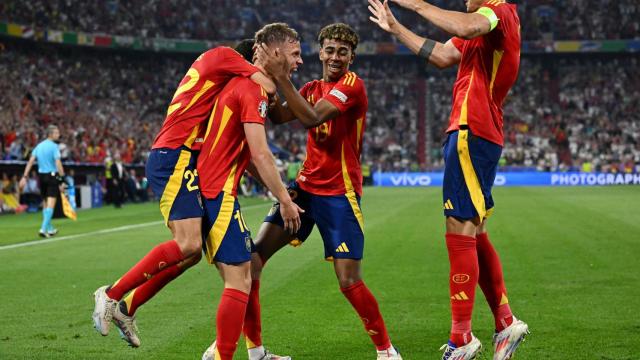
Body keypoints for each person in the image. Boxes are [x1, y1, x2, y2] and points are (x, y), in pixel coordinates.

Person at [368, 1, 529, 359]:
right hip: (479, 132)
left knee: (458, 227)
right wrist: (397, 28)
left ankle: (461, 338)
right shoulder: (486, 28)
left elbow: (468, 27)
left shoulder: (496, 12)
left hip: (473, 130)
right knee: (475, 230)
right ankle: (505, 322)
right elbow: (441, 54)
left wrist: (418, 5)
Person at [91, 40, 277, 348]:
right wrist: (276, 68)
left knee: (190, 255)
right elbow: (266, 83)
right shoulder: (227, 57)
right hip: (174, 154)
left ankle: (127, 307)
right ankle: (110, 294)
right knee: (190, 243)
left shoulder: (215, 74)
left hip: (183, 156)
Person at [248, 23, 402, 360]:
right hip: (304, 189)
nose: (335, 57)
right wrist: (265, 76)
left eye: (342, 52)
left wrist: (281, 77)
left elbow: (313, 118)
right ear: (320, 53)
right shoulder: (311, 85)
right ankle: (256, 352)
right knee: (252, 262)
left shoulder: (352, 85)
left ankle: (387, 351)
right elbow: (278, 115)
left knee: (348, 281)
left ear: (351, 57)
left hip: (339, 194)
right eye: (330, 50)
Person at [198, 23, 303, 360]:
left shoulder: (248, 88)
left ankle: (254, 352)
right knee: (239, 280)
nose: (300, 62)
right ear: (274, 52)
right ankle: (222, 355)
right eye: (295, 53)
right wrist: (285, 202)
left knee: (247, 272)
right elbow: (260, 153)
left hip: (218, 191)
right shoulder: (251, 89)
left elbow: (247, 160)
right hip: (216, 193)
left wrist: (277, 192)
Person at [19, 125, 66, 238]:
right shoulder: (54, 147)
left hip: (41, 177)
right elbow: (58, 164)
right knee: (51, 204)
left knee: (45, 203)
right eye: (56, 132)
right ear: (51, 134)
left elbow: (30, 161)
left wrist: (25, 176)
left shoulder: (39, 146)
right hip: (52, 176)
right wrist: (62, 180)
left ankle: (50, 229)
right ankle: (43, 228)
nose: (58, 134)